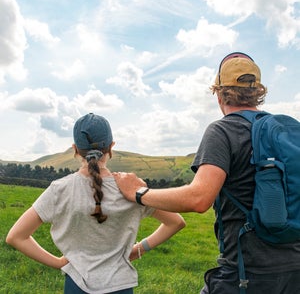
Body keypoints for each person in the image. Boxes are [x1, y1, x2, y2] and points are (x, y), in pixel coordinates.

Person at [113, 52, 300, 294]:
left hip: (247, 272)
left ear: (220, 93)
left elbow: (198, 199)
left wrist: (138, 193)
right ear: (258, 92)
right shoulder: (287, 132)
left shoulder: (223, 130)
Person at [6, 113, 186, 294]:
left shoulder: (59, 189)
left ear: (75, 149)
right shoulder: (132, 188)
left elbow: (16, 237)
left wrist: (58, 262)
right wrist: (140, 249)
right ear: (111, 147)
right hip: (121, 286)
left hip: (76, 285)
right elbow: (176, 222)